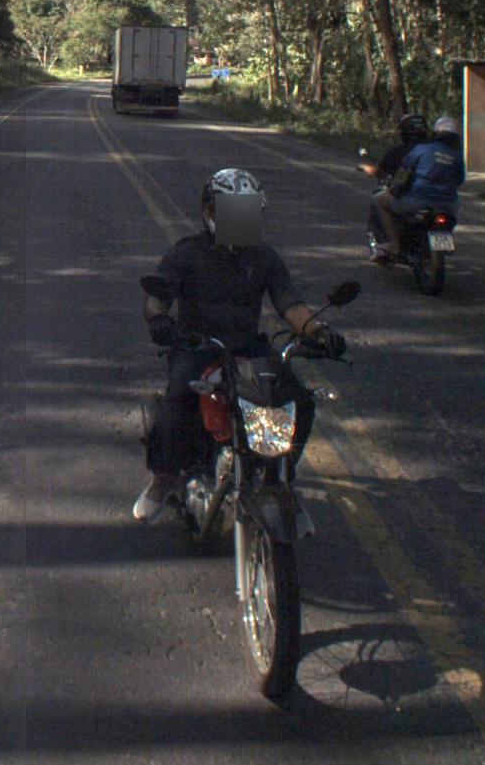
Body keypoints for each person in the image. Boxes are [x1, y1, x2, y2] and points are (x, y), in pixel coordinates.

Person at [133, 167, 344, 524]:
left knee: (299, 400)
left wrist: (318, 331)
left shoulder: (264, 257)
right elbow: (158, 296)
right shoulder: (187, 253)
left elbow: (290, 303)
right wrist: (159, 319)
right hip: (197, 347)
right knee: (178, 398)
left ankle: (281, 476)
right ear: (210, 212)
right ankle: (164, 478)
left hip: (248, 349)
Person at [369, 114, 465, 262]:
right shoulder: (457, 156)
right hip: (448, 204)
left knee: (379, 200)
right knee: (456, 205)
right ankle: (444, 241)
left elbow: (404, 169)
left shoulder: (422, 149)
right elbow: (459, 180)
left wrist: (395, 187)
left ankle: (394, 244)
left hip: (417, 199)